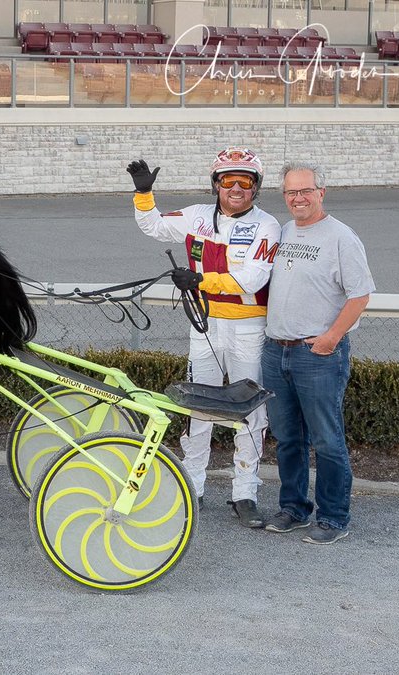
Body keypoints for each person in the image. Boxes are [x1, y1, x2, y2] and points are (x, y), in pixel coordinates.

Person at [126, 148, 281, 528]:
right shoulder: (197, 216)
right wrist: (144, 195)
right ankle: (192, 485)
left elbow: (253, 279)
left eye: (246, 181)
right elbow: (154, 227)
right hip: (205, 325)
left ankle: (244, 491)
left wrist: (200, 280)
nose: (236, 188)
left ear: (256, 188)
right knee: (198, 407)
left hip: (249, 329)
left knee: (249, 411)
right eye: (228, 180)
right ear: (216, 184)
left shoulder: (268, 225)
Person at [262, 163, 375, 545]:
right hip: (276, 352)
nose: (298, 198)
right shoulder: (283, 232)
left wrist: (330, 338)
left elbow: (360, 294)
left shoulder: (342, 237)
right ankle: (294, 508)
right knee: (288, 437)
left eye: (305, 191)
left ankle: (333, 517)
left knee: (327, 439)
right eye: (291, 192)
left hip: (318, 354)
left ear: (321, 192)